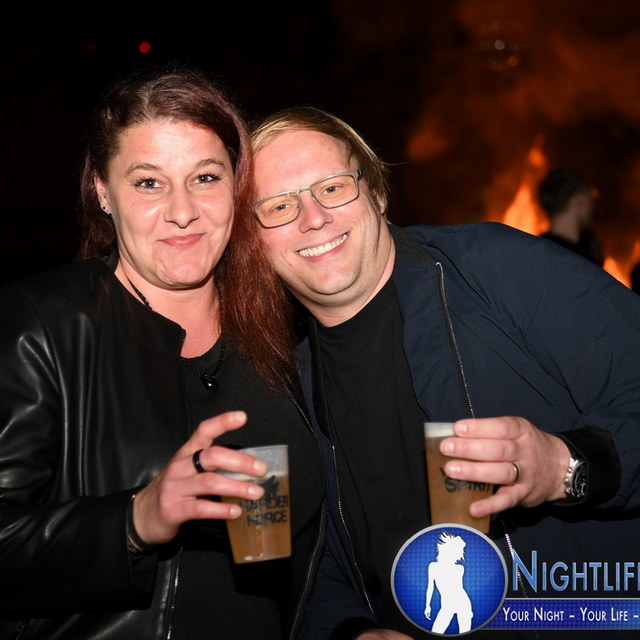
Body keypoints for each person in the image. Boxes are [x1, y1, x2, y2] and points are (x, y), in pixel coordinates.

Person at [251, 106, 640, 639]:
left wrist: (564, 465)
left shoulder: (492, 268)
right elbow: (308, 561)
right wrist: (350, 629)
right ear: (253, 241)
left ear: (377, 193)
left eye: (333, 188)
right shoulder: (283, 388)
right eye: (278, 205)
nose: (312, 217)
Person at [0, 69, 324, 640]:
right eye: (149, 182)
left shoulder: (287, 325)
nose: (183, 211)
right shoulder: (44, 323)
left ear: (236, 184)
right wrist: (134, 521)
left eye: (205, 177)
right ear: (103, 191)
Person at [537, 168, 603, 266]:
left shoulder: (539, 251)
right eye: (591, 194)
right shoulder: (580, 259)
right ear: (579, 199)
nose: (593, 202)